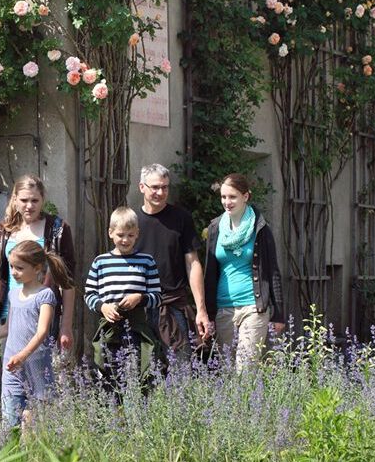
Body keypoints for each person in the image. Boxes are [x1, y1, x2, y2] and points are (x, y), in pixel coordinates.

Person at [0, 175, 78, 384]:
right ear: (15, 199)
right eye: (24, 200)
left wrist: (66, 325)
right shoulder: (5, 230)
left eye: (34, 200)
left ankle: (42, 417)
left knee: (44, 381)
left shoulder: (57, 229)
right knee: (14, 377)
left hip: (42, 314)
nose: (29, 206)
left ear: (42, 200)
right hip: (12, 317)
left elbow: (68, 282)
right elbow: (0, 277)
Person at [202, 174, 284, 370]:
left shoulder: (260, 227)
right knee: (227, 371)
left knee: (245, 370)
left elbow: (272, 271)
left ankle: (251, 401)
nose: (227, 202)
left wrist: (279, 314)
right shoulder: (215, 228)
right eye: (223, 197)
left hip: (253, 307)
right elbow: (209, 273)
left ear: (245, 197)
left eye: (232, 197)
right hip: (223, 309)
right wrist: (208, 313)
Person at [0, 240, 75, 430]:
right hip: (12, 366)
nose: (13, 272)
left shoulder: (45, 295)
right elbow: (6, 329)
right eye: (11, 266)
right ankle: (10, 458)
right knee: (10, 422)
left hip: (36, 365)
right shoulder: (13, 294)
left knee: (34, 425)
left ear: (37, 268)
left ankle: (31, 459)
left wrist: (22, 355)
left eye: (19, 268)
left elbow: (42, 331)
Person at [133, 164, 213, 365]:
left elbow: (192, 263)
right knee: (140, 372)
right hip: (139, 307)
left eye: (165, 187)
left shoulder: (181, 218)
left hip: (174, 305)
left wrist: (201, 310)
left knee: (181, 371)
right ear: (141, 187)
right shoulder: (131, 222)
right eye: (155, 187)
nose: (161, 192)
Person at [84, 207, 162, 389]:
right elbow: (89, 294)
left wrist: (139, 298)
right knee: (107, 376)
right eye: (120, 235)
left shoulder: (146, 261)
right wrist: (103, 307)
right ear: (110, 233)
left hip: (138, 328)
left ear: (137, 234)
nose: (125, 240)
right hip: (109, 327)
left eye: (130, 235)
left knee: (141, 376)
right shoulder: (100, 262)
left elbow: (157, 297)